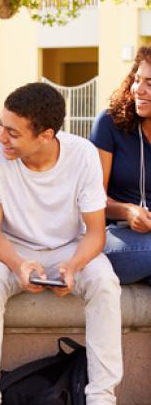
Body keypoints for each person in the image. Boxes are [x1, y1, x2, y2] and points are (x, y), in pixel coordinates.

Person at [0, 83, 122, 404]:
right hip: (9, 248)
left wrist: (73, 267)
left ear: (46, 135)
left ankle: (101, 397)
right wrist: (19, 265)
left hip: (70, 247)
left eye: (12, 132)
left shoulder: (82, 155)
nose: (0, 138)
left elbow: (95, 232)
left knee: (105, 283)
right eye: (1, 125)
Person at [90, 46, 151, 284]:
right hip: (114, 234)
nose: (139, 89)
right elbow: (92, 197)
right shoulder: (109, 123)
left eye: (150, 82)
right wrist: (128, 210)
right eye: (137, 80)